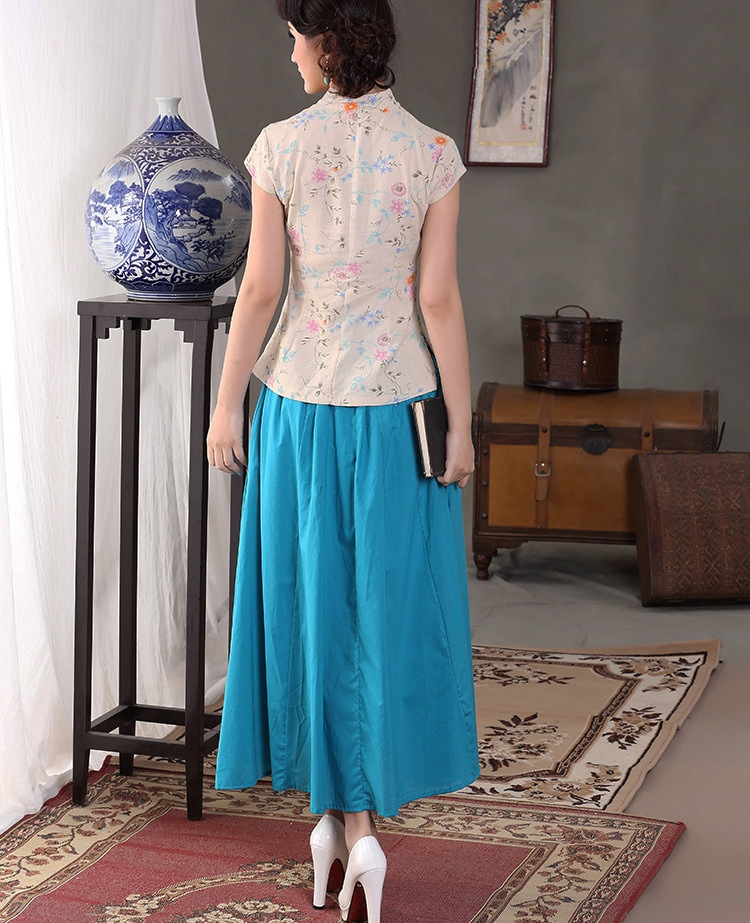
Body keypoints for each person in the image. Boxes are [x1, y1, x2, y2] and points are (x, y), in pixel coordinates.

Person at [207, 1, 480, 919]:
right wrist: (461, 426)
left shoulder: (281, 146)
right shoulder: (432, 153)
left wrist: (226, 404)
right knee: (378, 611)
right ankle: (350, 827)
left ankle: (341, 824)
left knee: (310, 605)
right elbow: (438, 301)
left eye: (295, 36)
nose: (291, 53)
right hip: (399, 409)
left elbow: (262, 289)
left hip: (298, 408)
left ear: (325, 43)